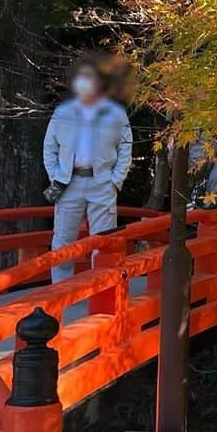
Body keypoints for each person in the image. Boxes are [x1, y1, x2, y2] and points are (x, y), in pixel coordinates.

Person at [42, 57, 132, 281]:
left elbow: (126, 148)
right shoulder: (63, 113)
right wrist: (56, 175)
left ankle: (100, 287)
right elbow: (49, 148)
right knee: (63, 240)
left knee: (104, 241)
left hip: (102, 181)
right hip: (68, 181)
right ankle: (60, 290)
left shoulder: (115, 113)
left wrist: (115, 181)